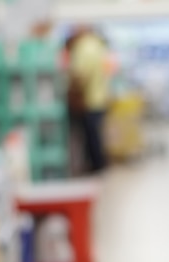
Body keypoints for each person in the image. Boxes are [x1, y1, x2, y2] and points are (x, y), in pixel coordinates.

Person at [66, 25, 112, 174]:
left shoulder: (83, 48)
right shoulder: (98, 45)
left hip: (88, 99)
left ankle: (95, 167)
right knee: (96, 135)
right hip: (100, 97)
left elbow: (80, 75)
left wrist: (73, 94)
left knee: (90, 137)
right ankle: (99, 165)